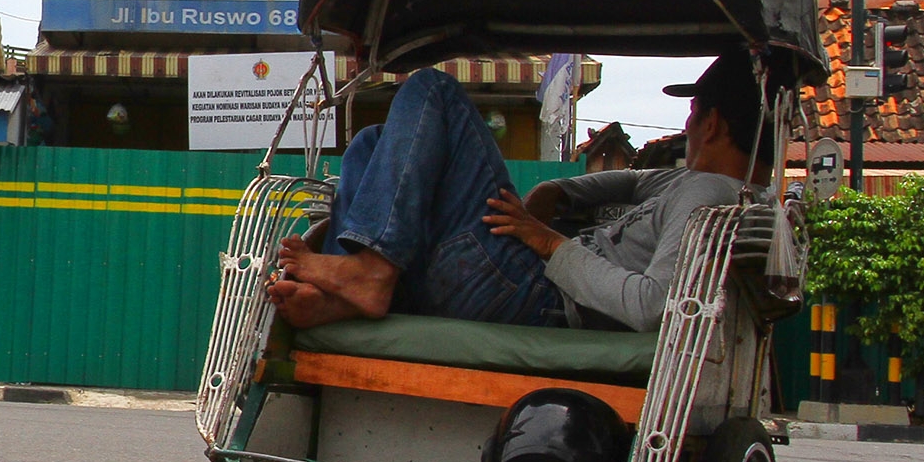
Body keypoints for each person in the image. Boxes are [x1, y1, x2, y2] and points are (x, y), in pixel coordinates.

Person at [268, 54, 766, 335]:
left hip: (537, 295)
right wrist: (550, 195)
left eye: (694, 110)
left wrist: (548, 243)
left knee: (432, 89)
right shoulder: (682, 181)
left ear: (712, 122)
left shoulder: (706, 193)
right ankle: (345, 287)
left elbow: (653, 306)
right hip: (520, 274)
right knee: (371, 143)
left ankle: (370, 274)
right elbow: (622, 183)